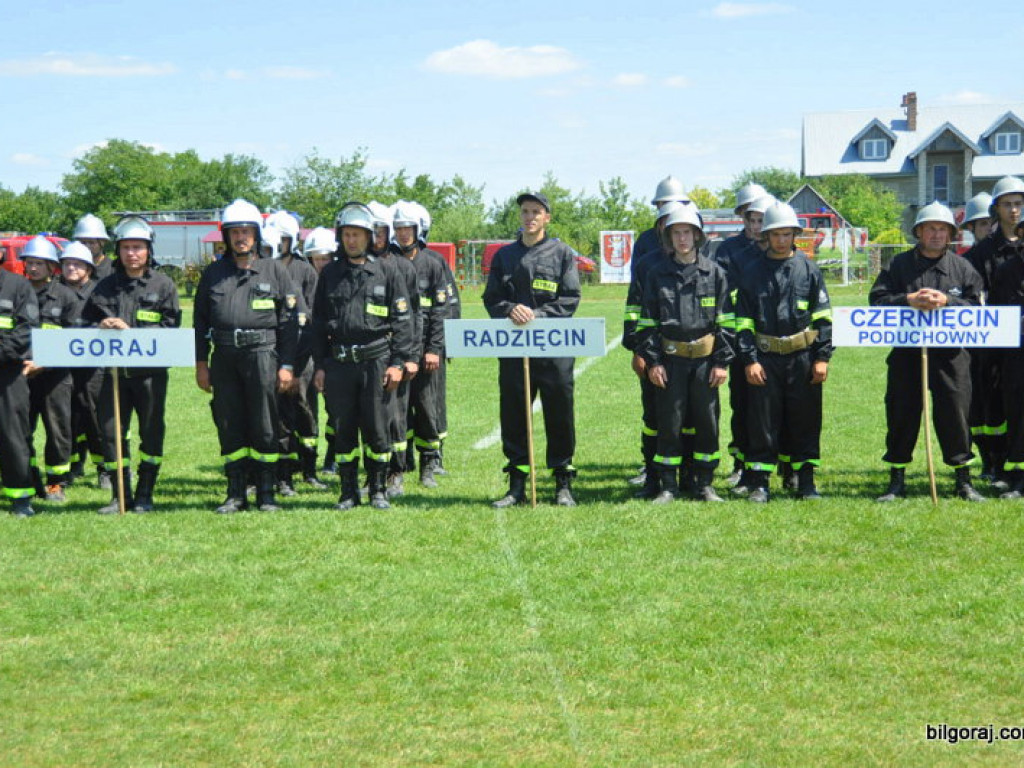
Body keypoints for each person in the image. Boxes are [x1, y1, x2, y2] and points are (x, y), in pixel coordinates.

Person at [869, 202, 985, 502]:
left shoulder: (963, 267)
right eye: (930, 228)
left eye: (942, 229)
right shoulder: (898, 265)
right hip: (907, 354)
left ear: (951, 234)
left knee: (956, 413)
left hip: (952, 356)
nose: (936, 234)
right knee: (901, 412)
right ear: (918, 232)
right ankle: (896, 479)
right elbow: (876, 300)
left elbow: (978, 308)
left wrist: (947, 301)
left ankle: (963, 480)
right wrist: (907, 300)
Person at [194, 199, 299, 513]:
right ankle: (235, 493)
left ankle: (266, 492)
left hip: (263, 355)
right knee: (229, 422)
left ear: (256, 234)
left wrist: (287, 365)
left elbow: (289, 323)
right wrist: (201, 364)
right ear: (226, 236)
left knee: (265, 423)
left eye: (246, 231)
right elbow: (200, 323)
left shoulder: (275, 271)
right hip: (225, 357)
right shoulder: (213, 273)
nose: (241, 237)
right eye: (235, 232)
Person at [311, 203, 414, 510]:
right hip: (340, 364)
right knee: (343, 429)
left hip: (376, 362)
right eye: (347, 235)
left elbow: (403, 321)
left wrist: (398, 363)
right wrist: (320, 365)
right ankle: (348, 492)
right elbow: (318, 323)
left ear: (369, 237)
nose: (351, 240)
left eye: (357, 235)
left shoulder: (387, 271)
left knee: (377, 428)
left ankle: (378, 489)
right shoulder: (330, 274)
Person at [483, 191, 582, 507]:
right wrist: (510, 309)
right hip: (515, 352)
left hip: (554, 352)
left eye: (536, 212)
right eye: (525, 212)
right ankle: (516, 486)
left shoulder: (562, 253)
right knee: (514, 417)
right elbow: (491, 298)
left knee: (560, 416)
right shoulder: (504, 256)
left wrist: (537, 315)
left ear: (547, 218)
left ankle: (562, 483)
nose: (530, 217)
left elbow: (570, 298)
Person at [81, 217, 181, 513]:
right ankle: (120, 495)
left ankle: (145, 494)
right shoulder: (104, 286)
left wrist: (133, 332)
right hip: (112, 375)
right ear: (118, 250)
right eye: (126, 247)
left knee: (151, 431)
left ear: (148, 250)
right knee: (111, 433)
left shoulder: (163, 285)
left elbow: (171, 328)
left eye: (138, 247)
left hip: (150, 375)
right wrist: (100, 326)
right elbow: (83, 324)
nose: (131, 253)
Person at [734, 202, 833, 502]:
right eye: (775, 234)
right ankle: (760, 483)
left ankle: (806, 482)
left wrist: (822, 358)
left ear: (795, 235)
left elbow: (823, 317)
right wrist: (749, 360)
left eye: (786, 234)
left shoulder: (809, 269)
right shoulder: (751, 272)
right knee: (762, 422)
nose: (780, 240)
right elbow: (743, 322)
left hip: (802, 358)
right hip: (764, 358)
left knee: (805, 420)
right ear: (766, 235)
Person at [636, 203, 732, 502]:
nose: (682, 238)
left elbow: (727, 322)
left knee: (707, 423)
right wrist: (653, 362)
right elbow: (647, 322)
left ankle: (704, 483)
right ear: (668, 237)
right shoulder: (656, 274)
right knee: (670, 423)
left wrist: (721, 362)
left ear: (697, 236)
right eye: (676, 233)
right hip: (670, 362)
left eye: (687, 232)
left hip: (705, 363)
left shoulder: (715, 273)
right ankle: (668, 486)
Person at [622, 199, 686, 499]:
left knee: (689, 420)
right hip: (653, 353)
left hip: (688, 357)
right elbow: (634, 308)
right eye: (668, 225)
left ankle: (689, 479)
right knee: (653, 418)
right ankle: (652, 476)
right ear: (661, 228)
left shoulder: (699, 263)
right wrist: (637, 350)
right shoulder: (647, 264)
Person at [965, 178, 1023, 486]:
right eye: (1007, 204)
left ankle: (1015, 464)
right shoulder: (982, 251)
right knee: (990, 402)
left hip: (1020, 344)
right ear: (996, 209)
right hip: (990, 341)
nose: (1014, 210)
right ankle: (994, 462)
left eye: (1018, 203)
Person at [263, 210, 325, 494]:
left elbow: (315, 317)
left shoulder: (305, 271)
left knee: (304, 411)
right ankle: (280, 474)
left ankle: (309, 469)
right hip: (270, 355)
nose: (278, 244)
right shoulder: (262, 268)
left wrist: (300, 364)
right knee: (276, 416)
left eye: (284, 239)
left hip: (303, 355)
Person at [393, 201, 449, 488]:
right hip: (399, 353)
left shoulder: (433, 264)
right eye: (399, 228)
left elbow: (441, 312)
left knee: (427, 409)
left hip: (427, 353)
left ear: (418, 230)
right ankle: (399, 467)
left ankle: (429, 464)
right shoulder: (389, 263)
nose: (403, 234)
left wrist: (434, 349)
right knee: (398, 412)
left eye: (408, 228)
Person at [21, 236, 79, 503]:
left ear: (51, 267)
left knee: (58, 431)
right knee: (21, 429)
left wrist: (44, 362)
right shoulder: (17, 292)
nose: (33, 268)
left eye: (39, 263)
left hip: (55, 377)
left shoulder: (66, 297)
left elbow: (73, 340)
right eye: (29, 263)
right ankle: (29, 477)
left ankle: (56, 482)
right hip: (21, 376)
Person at [367, 201, 420, 498]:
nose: (376, 237)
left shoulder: (403, 266)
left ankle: (395, 473)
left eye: (381, 231)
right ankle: (372, 473)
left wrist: (410, 357)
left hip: (396, 351)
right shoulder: (357, 267)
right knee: (369, 416)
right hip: (366, 355)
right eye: (372, 231)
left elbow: (414, 315)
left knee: (396, 416)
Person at [58, 242, 107, 489]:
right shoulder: (54, 291)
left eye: (77, 264)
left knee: (93, 415)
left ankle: (104, 468)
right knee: (65, 418)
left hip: (92, 366)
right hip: (59, 366)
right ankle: (69, 468)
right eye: (67, 264)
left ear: (88, 268)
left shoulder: (100, 292)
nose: (71, 268)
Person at [987, 216, 1024, 497]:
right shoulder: (1007, 270)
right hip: (1015, 357)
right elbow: (996, 313)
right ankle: (1018, 475)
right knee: (1017, 413)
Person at [0, 256, 39, 516]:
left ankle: (21, 496)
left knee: (12, 434)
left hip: (8, 372)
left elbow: (27, 329)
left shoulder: (18, 286)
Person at [302, 226, 339, 475]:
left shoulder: (339, 281)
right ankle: (304, 461)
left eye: (326, 258)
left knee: (336, 409)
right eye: (317, 259)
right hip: (307, 354)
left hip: (333, 354)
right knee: (306, 408)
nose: (321, 264)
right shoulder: (305, 281)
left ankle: (332, 457)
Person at [73, 213, 114, 280]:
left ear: (102, 242)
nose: (87, 246)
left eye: (91, 242)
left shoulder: (113, 270)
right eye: (83, 243)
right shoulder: (72, 269)